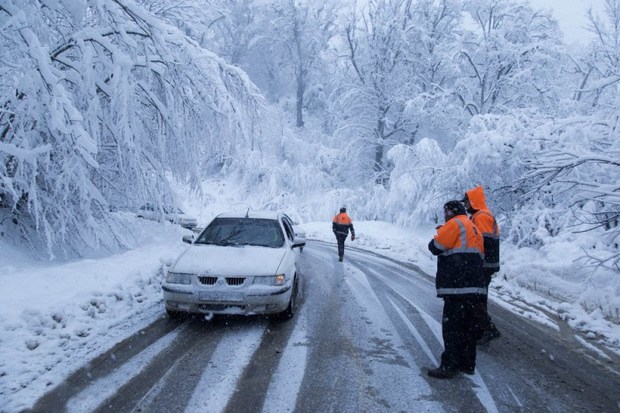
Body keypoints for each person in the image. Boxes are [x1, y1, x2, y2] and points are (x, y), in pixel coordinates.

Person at [427, 200, 486, 379]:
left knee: (452, 327)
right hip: (475, 287)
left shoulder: (455, 224)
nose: (444, 215)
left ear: (451, 211)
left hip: (457, 286)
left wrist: (441, 231)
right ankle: (467, 364)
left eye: (445, 211)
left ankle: (449, 365)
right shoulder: (473, 227)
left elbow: (435, 247)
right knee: (469, 327)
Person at [463, 186, 501, 345]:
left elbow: (483, 242)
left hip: (483, 265)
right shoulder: (479, 216)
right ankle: (480, 329)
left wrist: (476, 264)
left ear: (473, 201)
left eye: (466, 202)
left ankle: (487, 329)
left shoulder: (482, 217)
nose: (465, 206)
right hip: (485, 264)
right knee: (477, 297)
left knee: (476, 298)